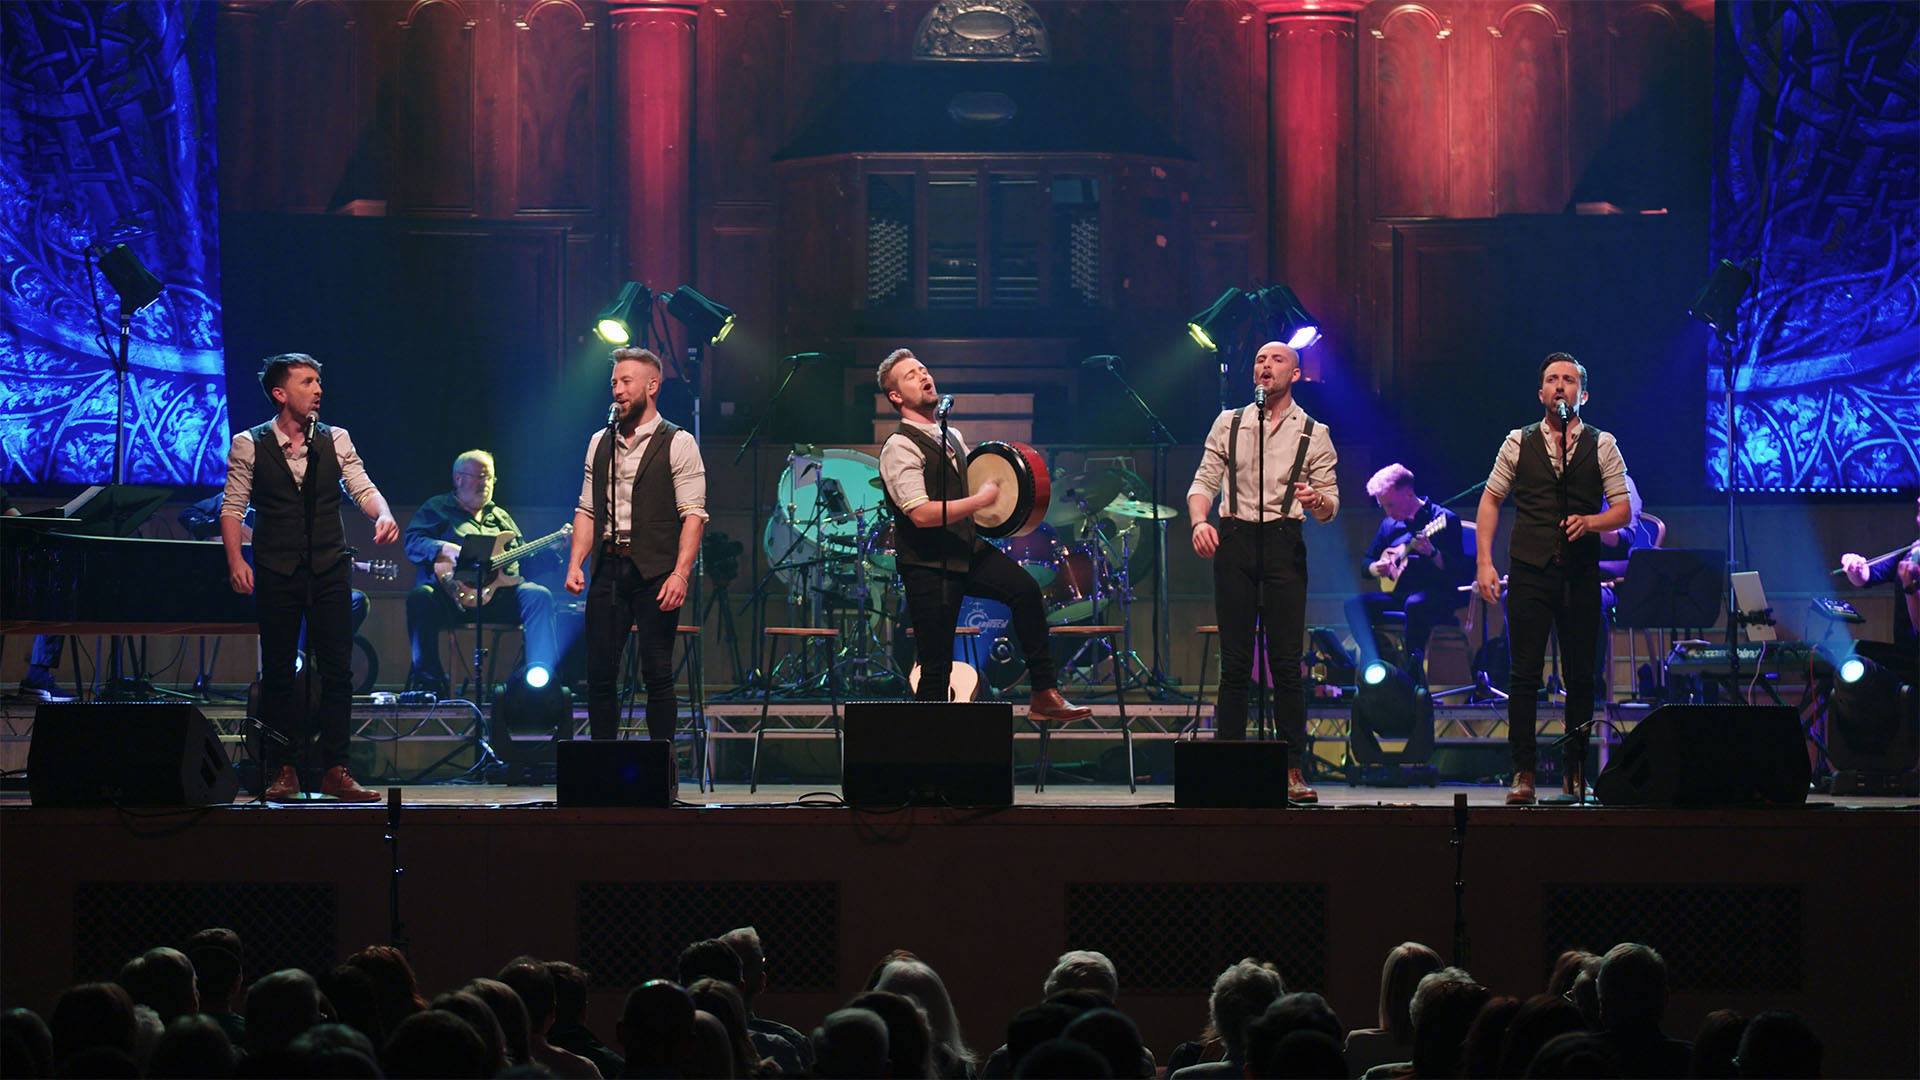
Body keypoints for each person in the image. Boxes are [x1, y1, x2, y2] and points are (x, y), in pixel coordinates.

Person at [875, 348, 1091, 722]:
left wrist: (1002, 501)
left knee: (1025, 590)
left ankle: (1044, 693)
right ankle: (924, 751)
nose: (924, 375)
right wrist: (979, 501)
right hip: (928, 564)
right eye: (911, 375)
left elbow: (974, 485)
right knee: (936, 667)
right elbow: (921, 514)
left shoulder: (952, 435)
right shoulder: (899, 446)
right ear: (895, 396)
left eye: (924, 369)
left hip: (965, 549)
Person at [222, 353, 397, 802]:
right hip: (276, 569)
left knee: (338, 670)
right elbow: (233, 506)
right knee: (280, 672)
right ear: (280, 394)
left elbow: (360, 485)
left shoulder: (334, 438)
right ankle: (283, 770)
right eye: (307, 382)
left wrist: (382, 513)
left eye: (319, 381)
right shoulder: (249, 443)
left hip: (329, 568)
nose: (318, 389)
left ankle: (336, 769)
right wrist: (236, 560)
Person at [1474, 353, 1631, 805]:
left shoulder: (1603, 444)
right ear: (1541, 391)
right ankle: (1522, 772)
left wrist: (1591, 522)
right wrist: (1484, 563)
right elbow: (1490, 500)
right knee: (1524, 674)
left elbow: (1623, 510)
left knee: (1581, 676)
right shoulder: (1517, 441)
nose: (1560, 385)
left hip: (1580, 574)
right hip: (1529, 570)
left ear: (1583, 394)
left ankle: (1574, 772)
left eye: (1568, 379)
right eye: (1552, 379)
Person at [1187, 341, 1340, 804]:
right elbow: (1204, 481)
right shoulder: (1229, 422)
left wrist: (1317, 500)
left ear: (1295, 374)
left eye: (1276, 360)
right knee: (1234, 663)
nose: (1265, 366)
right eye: (1259, 359)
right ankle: (1229, 767)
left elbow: (1331, 503)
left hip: (1283, 543)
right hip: (1235, 540)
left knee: (1286, 664)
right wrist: (1199, 521)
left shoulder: (1314, 431)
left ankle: (1291, 768)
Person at [564, 348, 707, 751]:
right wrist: (576, 563)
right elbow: (587, 509)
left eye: (627, 382)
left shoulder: (678, 442)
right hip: (609, 569)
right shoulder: (600, 441)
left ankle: (661, 766)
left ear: (652, 386)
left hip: (656, 571)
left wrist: (680, 573)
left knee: (656, 672)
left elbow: (694, 514)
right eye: (614, 382)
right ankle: (603, 764)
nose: (618, 390)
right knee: (599, 673)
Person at [402, 450, 559, 697]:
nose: (485, 484)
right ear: (458, 478)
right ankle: (428, 683)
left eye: (490, 478)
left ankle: (541, 683)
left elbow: (522, 566)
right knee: (420, 597)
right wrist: (443, 548)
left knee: (538, 596)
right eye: (479, 477)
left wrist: (552, 552)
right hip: (451, 600)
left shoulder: (501, 517)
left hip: (497, 598)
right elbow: (412, 542)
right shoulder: (437, 508)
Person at [1345, 464, 1470, 681]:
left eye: (1391, 505)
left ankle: (1413, 675)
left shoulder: (1444, 519)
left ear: (1409, 494)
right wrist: (1377, 567)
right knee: (1354, 605)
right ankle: (1377, 659)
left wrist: (1432, 553)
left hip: (1437, 595)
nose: (1388, 512)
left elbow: (1458, 573)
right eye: (1383, 506)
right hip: (1400, 594)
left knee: (1414, 604)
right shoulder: (1389, 525)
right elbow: (1366, 563)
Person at [1839, 493, 1920, 649]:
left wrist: (1910, 587)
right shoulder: (1913, 546)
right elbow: (1869, 576)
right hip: (1905, 652)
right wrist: (1855, 566)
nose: (1918, 499)